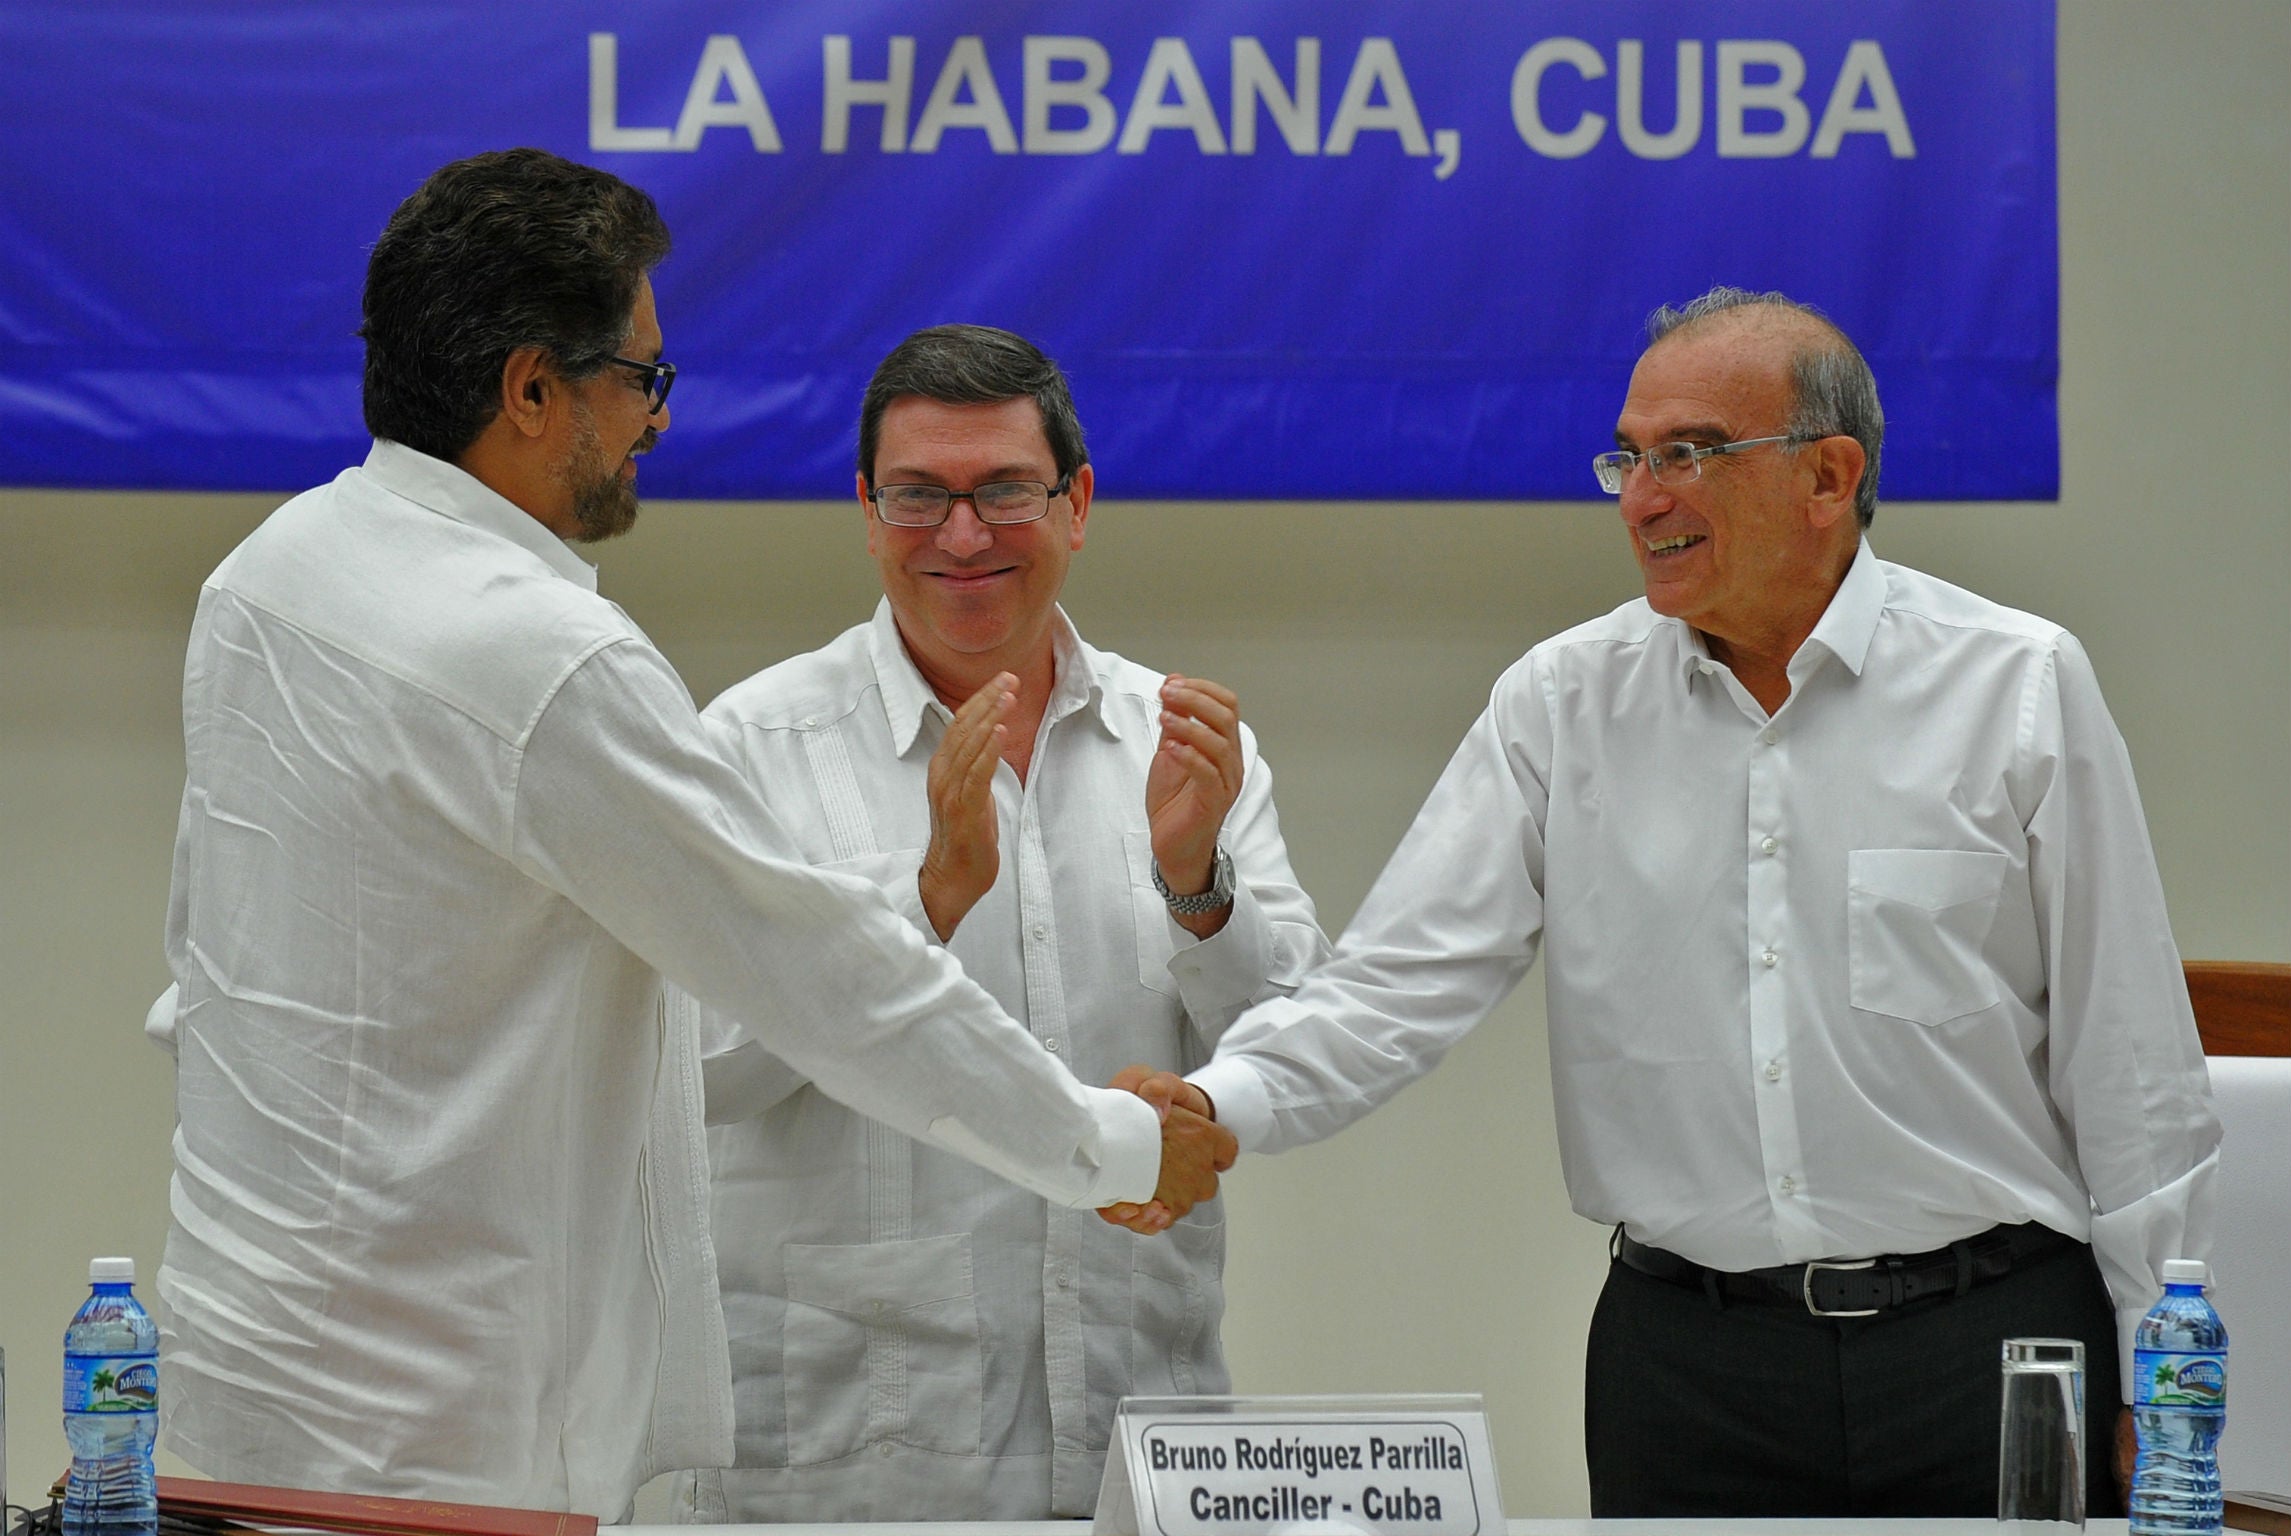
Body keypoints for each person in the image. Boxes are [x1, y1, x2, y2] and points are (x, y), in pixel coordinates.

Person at [144, 150, 1229, 1520]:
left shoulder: (271, 575)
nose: (658, 418)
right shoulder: (540, 658)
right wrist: (1106, 1148)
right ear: (533, 389)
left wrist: (910, 897)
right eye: (640, 380)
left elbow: (208, 965)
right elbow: (814, 981)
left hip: (228, 1401)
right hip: (430, 1444)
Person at [1170, 287, 2221, 1517]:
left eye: (1689, 455)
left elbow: (2131, 1065)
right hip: (1689, 1365)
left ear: (1829, 476)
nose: (1641, 496)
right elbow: (1393, 988)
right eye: (1627, 455)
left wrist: (2165, 1386)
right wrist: (1207, 1109)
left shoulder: (2017, 686)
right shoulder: (1562, 704)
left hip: (1987, 1346)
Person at [670, 325, 1328, 1522]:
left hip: (1137, 1430)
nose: (960, 536)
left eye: (1003, 492)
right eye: (919, 495)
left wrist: (1195, 884)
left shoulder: (1171, 740)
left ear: (1075, 504)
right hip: (854, 1461)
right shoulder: (751, 748)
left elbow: (1295, 1047)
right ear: (867, 511)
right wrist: (919, 905)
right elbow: (691, 1068)